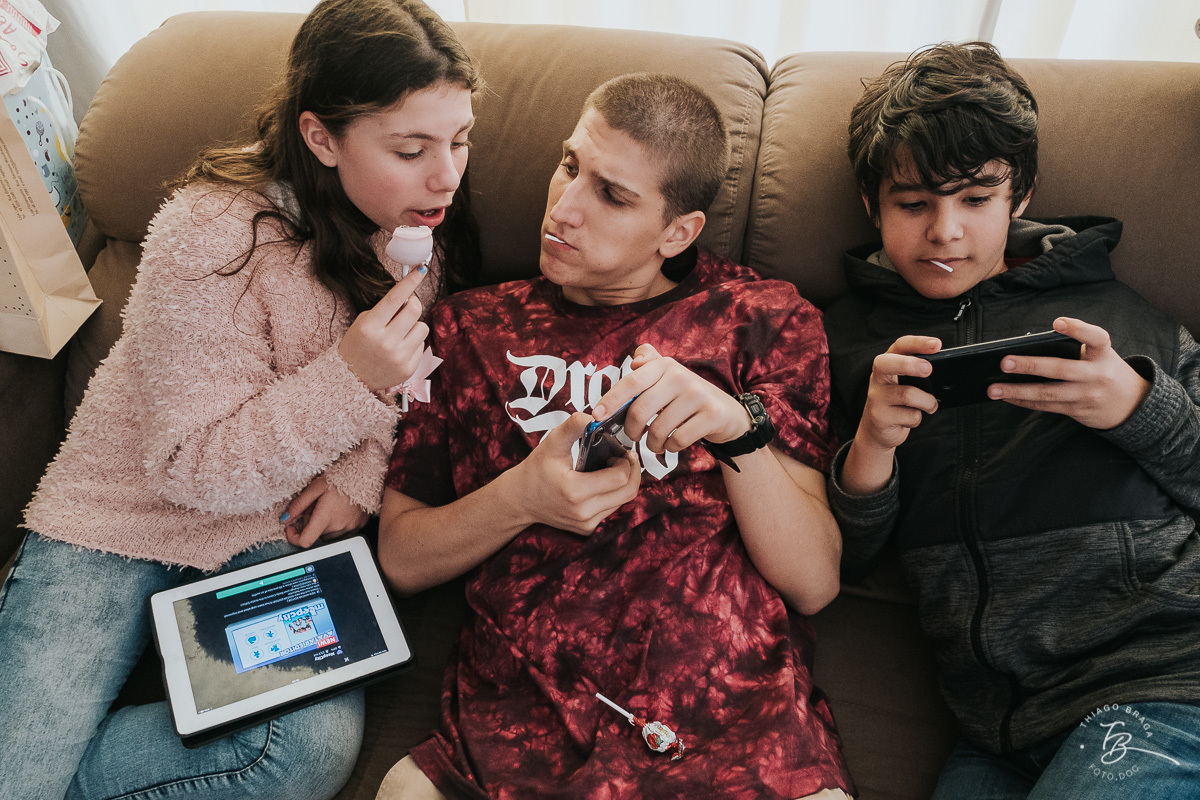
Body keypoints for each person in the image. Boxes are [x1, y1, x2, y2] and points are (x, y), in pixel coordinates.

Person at [0, 1, 481, 798]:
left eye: (460, 139)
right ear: (321, 137)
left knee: (294, 755)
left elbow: (413, 391)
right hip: (121, 515)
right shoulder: (210, 232)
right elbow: (191, 470)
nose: (448, 175)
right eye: (411, 148)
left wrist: (363, 473)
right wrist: (349, 377)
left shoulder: (417, 233)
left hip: (271, 527)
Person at [374, 72, 855, 800]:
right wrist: (523, 497)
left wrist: (735, 431)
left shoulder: (765, 320)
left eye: (612, 195)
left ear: (678, 232)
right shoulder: (469, 328)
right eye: (570, 166)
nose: (564, 208)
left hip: (731, 733)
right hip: (512, 734)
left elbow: (814, 582)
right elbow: (402, 559)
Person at [824, 41, 1200, 799]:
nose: (946, 233)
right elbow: (840, 563)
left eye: (974, 199)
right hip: (998, 727)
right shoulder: (842, 344)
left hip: (1163, 684)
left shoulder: (1123, 319)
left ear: (1019, 195)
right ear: (872, 205)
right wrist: (870, 448)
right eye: (913, 204)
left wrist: (1137, 406)